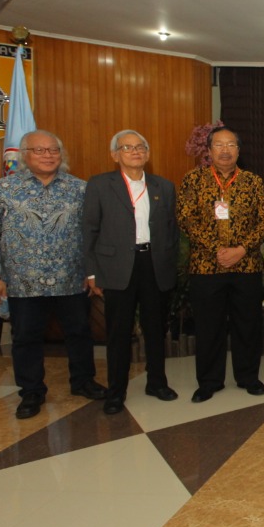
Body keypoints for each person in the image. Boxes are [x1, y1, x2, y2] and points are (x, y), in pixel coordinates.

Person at [0, 129, 106, 419]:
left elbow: (92, 234)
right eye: (40, 150)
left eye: (53, 150)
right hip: (23, 282)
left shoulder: (80, 189)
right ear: (24, 156)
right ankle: (32, 391)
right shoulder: (1, 190)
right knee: (25, 338)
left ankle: (83, 381)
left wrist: (92, 272)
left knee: (80, 334)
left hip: (71, 278)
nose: (48, 156)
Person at [82, 129, 179, 415]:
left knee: (155, 328)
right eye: (127, 147)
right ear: (115, 155)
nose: (135, 152)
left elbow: (171, 230)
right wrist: (91, 272)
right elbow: (89, 230)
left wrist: (169, 262)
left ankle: (157, 382)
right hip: (117, 267)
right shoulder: (100, 185)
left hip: (154, 265)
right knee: (119, 332)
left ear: (147, 154)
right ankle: (116, 391)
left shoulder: (164, 186)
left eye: (140, 147)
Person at [177, 126, 264, 403]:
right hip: (207, 267)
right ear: (208, 150)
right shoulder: (193, 180)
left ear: (239, 150)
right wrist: (218, 250)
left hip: (247, 266)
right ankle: (209, 381)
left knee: (248, 325)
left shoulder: (253, 181)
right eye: (219, 145)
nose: (225, 150)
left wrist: (240, 249)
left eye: (231, 144)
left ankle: (248, 377)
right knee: (208, 326)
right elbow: (186, 218)